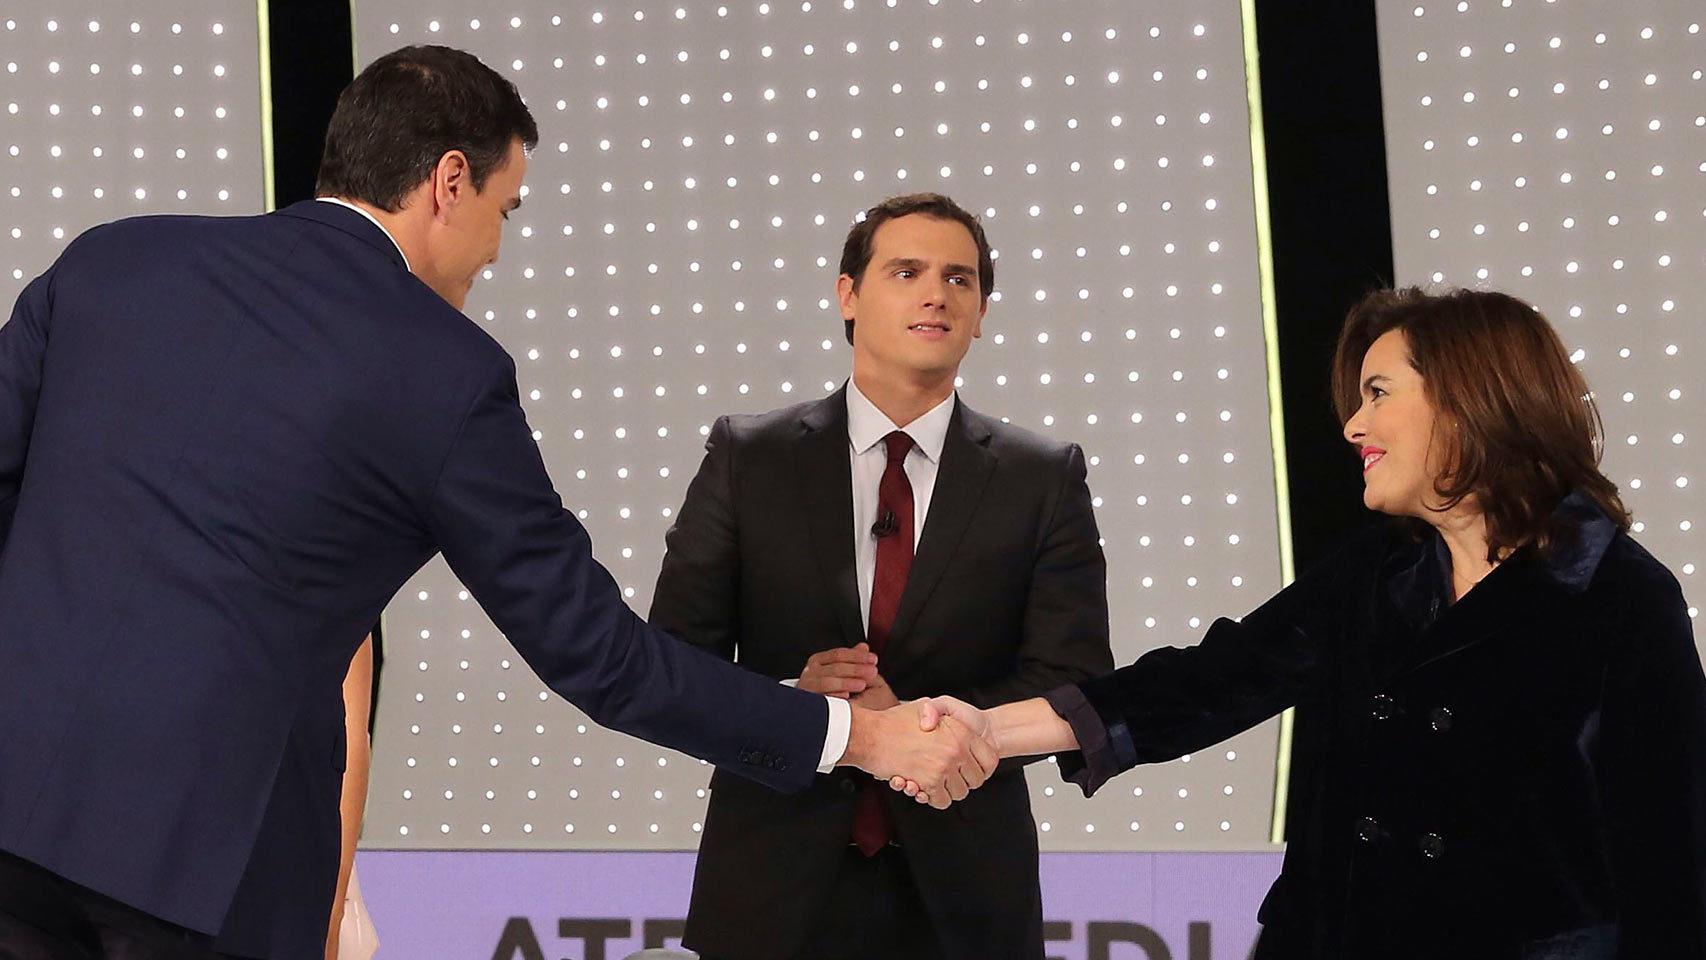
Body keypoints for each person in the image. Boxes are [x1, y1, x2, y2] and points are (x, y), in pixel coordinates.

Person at [0, 45, 993, 960]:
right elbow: (598, 656)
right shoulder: (440, 371)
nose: (495, 253)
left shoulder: (114, 260)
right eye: (504, 211)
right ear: (447, 182)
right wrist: (857, 737)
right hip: (200, 873)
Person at [905, 287, 1706, 958]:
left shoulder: (1618, 600)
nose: (1355, 427)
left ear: (1470, 399)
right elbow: (1206, 683)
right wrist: (982, 729)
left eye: (1380, 394)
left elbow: (1674, 871)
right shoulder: (1377, 572)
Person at [649, 193, 1114, 960]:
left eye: (960, 279)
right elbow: (673, 663)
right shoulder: (750, 457)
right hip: (769, 884)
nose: (937, 293)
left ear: (982, 311)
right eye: (907, 271)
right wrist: (800, 709)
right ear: (848, 295)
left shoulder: (1042, 477)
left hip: (964, 896)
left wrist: (923, 723)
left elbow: (1073, 677)